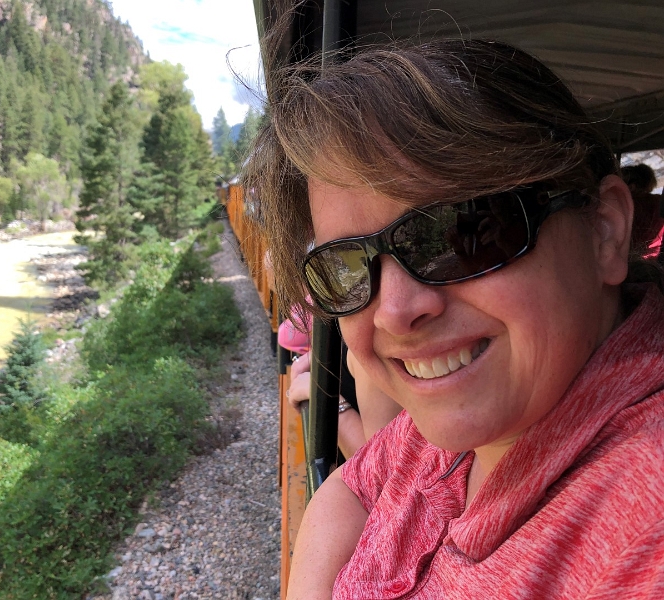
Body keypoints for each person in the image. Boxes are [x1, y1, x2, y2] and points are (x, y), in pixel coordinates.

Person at [243, 35, 664, 599]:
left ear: (604, 230)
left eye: (460, 234)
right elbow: (354, 485)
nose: (394, 312)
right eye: (345, 265)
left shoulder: (644, 517)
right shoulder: (460, 414)